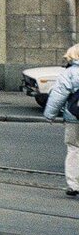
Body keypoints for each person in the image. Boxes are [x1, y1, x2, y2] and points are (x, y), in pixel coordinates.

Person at [43, 43, 79, 197]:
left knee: (74, 148)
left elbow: (58, 95)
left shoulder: (69, 73)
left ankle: (74, 185)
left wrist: (50, 115)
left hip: (74, 116)